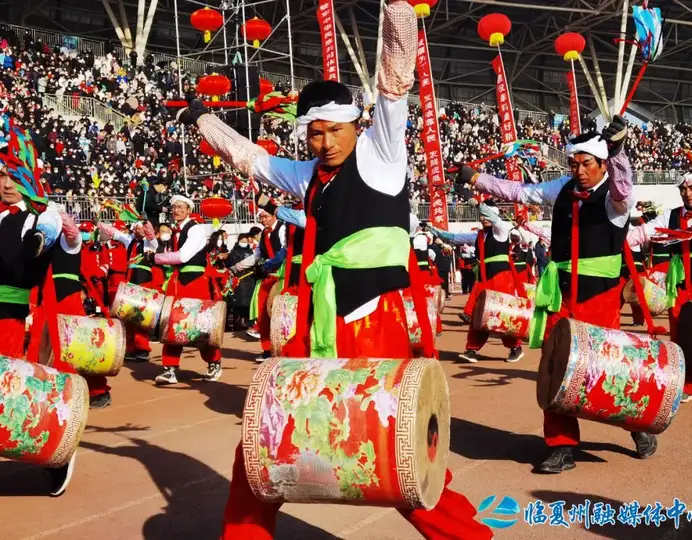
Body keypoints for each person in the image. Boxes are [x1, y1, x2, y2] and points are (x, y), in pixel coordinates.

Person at [184, 2, 493, 538]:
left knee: (391, 449)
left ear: (354, 125)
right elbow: (249, 159)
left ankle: (468, 534)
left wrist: (398, 13)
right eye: (313, 134)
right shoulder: (306, 173)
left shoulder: (381, 153)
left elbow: (395, 82)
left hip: (375, 321)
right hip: (317, 323)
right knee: (265, 438)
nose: (323, 144)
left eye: (332, 132)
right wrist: (202, 120)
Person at [460, 118, 659, 474]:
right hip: (562, 297)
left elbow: (623, 187)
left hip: (600, 300)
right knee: (555, 365)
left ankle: (636, 425)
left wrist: (617, 152)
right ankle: (561, 445)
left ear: (601, 165)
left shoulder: (617, 202)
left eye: (587, 163)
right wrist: (477, 179)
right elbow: (520, 192)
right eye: (574, 163)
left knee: (607, 370)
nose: (579, 171)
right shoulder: (562, 189)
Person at [0, 132, 76, 496]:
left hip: (17, 314)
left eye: (14, 178)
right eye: (2, 178)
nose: (6, 185)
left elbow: (51, 232)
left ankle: (55, 453)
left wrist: (39, 240)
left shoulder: (42, 214)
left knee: (20, 391)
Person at [627, 171, 692, 402]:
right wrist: (617, 240)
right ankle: (687, 385)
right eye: (683, 189)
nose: (688, 194)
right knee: (682, 334)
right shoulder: (669, 216)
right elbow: (643, 233)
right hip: (680, 286)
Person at [431, 201, 525, 363]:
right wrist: (433, 230)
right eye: (481, 216)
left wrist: (477, 203)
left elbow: (493, 217)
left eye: (486, 215)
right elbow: (454, 237)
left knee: (501, 313)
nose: (483, 218)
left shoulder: (501, 229)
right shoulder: (480, 235)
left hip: (502, 277)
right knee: (479, 313)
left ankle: (515, 347)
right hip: (485, 277)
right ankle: (472, 349)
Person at [151, 194, 222, 384]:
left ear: (189, 210)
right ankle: (170, 367)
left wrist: (156, 258)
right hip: (178, 280)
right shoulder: (175, 231)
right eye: (174, 207)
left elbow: (183, 256)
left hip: (196, 281)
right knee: (172, 322)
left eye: (181, 207)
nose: (177, 210)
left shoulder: (195, 229)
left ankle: (214, 362)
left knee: (200, 324)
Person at [96, 220, 158, 361]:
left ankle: (143, 348)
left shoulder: (151, 243)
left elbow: (151, 235)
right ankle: (131, 348)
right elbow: (114, 233)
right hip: (129, 279)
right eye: (135, 228)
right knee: (127, 314)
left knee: (141, 316)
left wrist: (146, 222)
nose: (137, 230)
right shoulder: (129, 240)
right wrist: (98, 223)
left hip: (144, 280)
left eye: (140, 228)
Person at [228, 208, 286, 361]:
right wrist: (236, 267)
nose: (262, 220)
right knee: (263, 315)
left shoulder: (283, 230)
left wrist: (266, 266)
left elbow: (284, 253)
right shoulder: (263, 235)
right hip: (267, 278)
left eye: (265, 217)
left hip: (282, 278)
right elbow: (257, 256)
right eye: (260, 217)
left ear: (274, 216)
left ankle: (283, 350)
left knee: (281, 316)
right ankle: (267, 350)